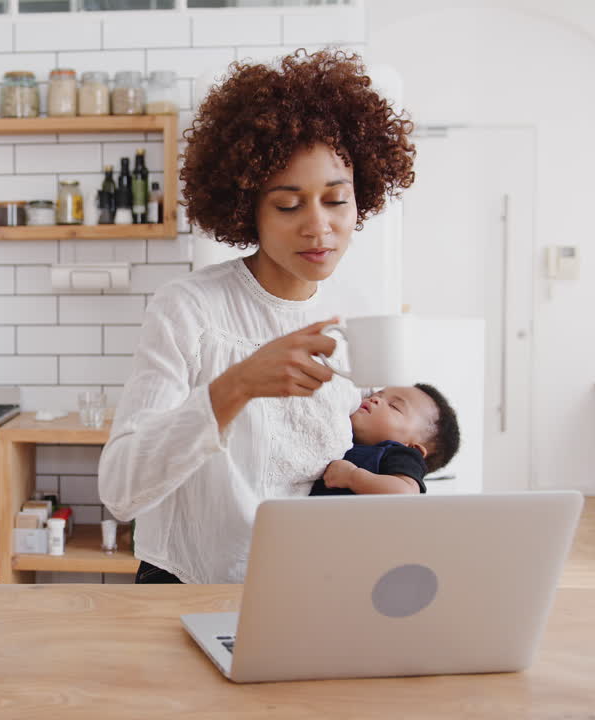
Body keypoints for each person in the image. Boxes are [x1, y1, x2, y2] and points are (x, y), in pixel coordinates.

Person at [98, 48, 417, 585]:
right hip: (186, 587)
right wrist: (236, 387)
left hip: (305, 587)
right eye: (290, 206)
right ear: (248, 207)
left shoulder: (354, 318)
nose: (318, 227)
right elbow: (121, 491)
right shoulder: (190, 308)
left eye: (336, 200)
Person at [311, 383, 461, 496]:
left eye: (394, 406)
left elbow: (405, 494)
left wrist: (352, 477)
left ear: (411, 447)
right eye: (377, 394)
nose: (375, 399)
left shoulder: (399, 453)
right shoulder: (340, 434)